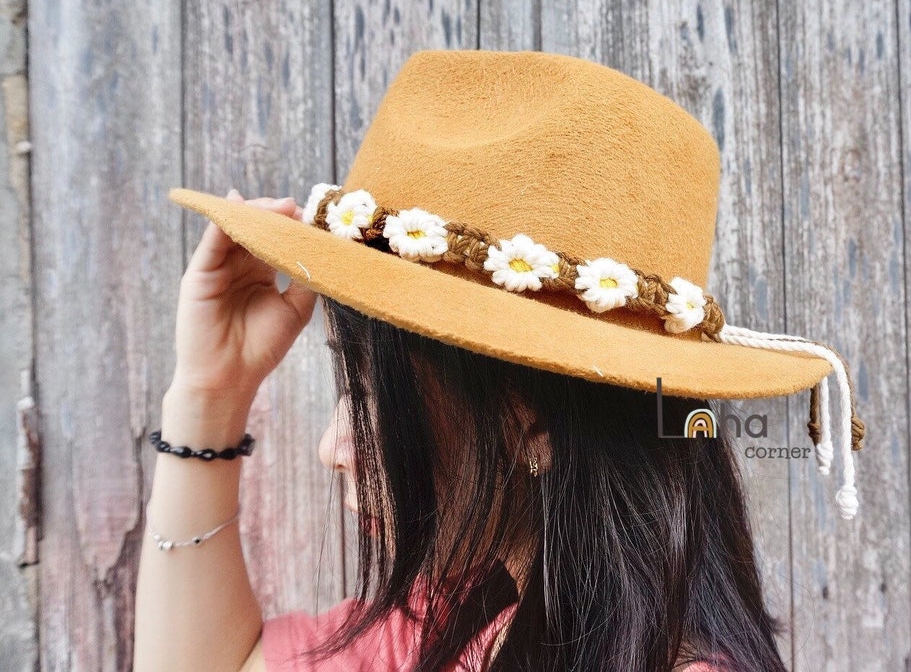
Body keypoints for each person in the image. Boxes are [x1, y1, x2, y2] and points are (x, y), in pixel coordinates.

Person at [133, 49, 863, 671]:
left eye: (366, 397)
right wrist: (208, 395)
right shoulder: (461, 632)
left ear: (533, 426)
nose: (335, 449)